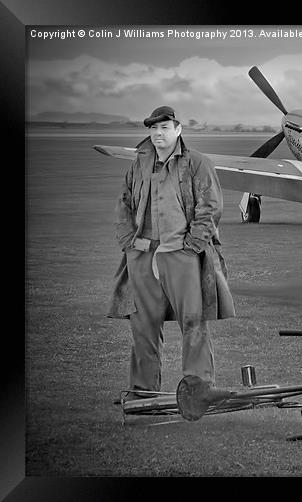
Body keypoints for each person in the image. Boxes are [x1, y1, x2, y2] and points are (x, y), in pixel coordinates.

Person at [108, 105, 235, 402]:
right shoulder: (139, 164)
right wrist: (128, 241)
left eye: (164, 128)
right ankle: (143, 393)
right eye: (153, 128)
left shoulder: (197, 163)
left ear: (178, 130)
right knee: (142, 325)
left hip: (181, 253)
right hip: (141, 254)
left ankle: (198, 389)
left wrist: (192, 245)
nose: (157, 134)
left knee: (192, 322)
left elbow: (211, 206)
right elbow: (124, 201)